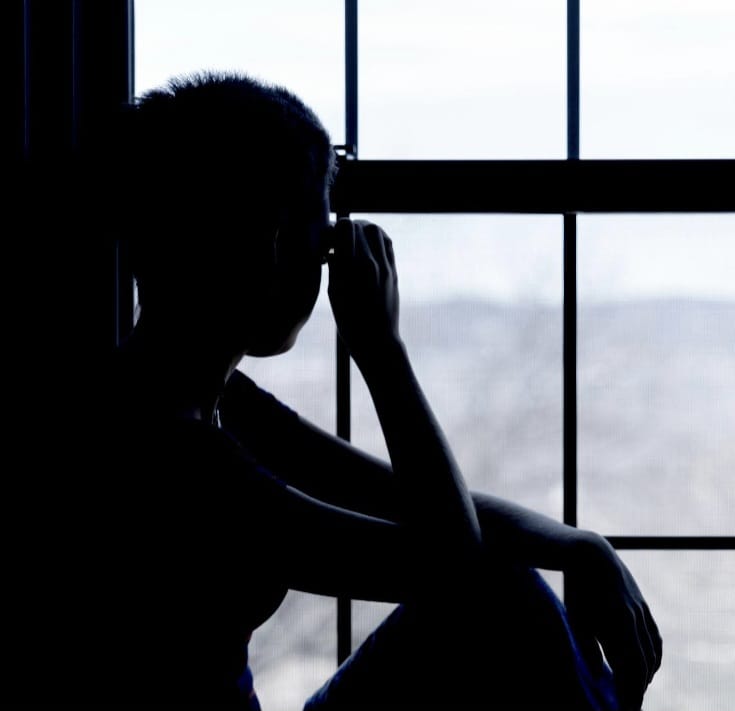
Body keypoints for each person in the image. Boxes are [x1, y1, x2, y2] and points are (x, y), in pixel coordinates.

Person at [70, 72, 660, 710]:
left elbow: (398, 496)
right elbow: (452, 566)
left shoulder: (202, 399)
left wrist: (579, 546)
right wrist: (382, 351)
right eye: (320, 241)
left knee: (508, 585)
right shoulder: (177, 454)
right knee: (498, 591)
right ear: (271, 243)